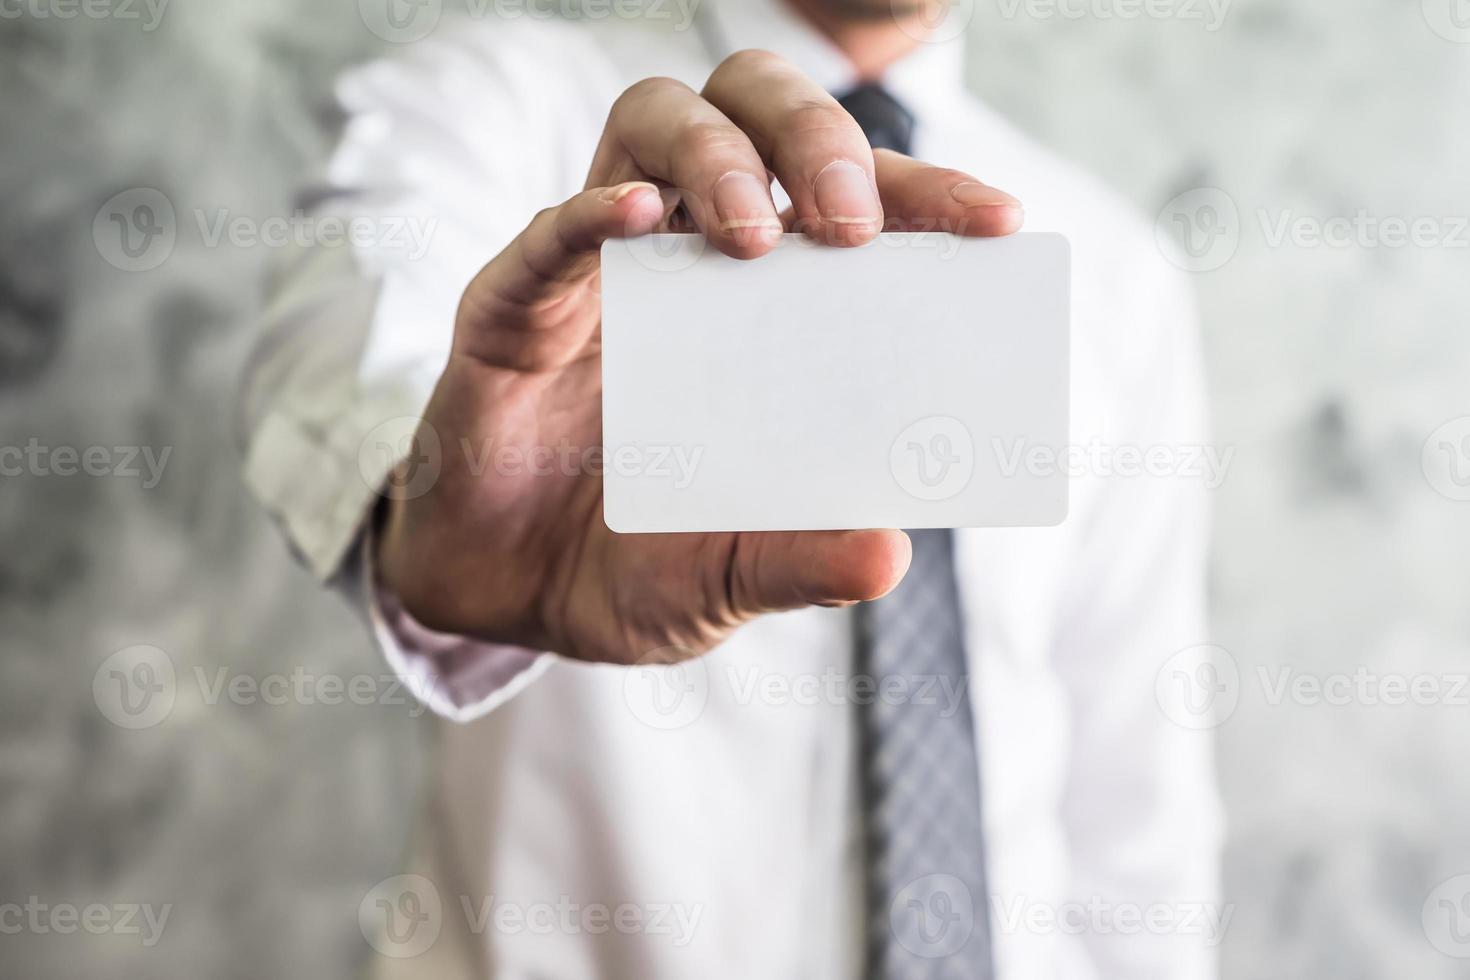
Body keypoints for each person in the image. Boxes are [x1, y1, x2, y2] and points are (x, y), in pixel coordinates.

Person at [242, 0, 1223, 976]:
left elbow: (1133, 812)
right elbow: (340, 363)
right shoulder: (491, 104)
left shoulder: (1117, 273)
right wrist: (431, 511)